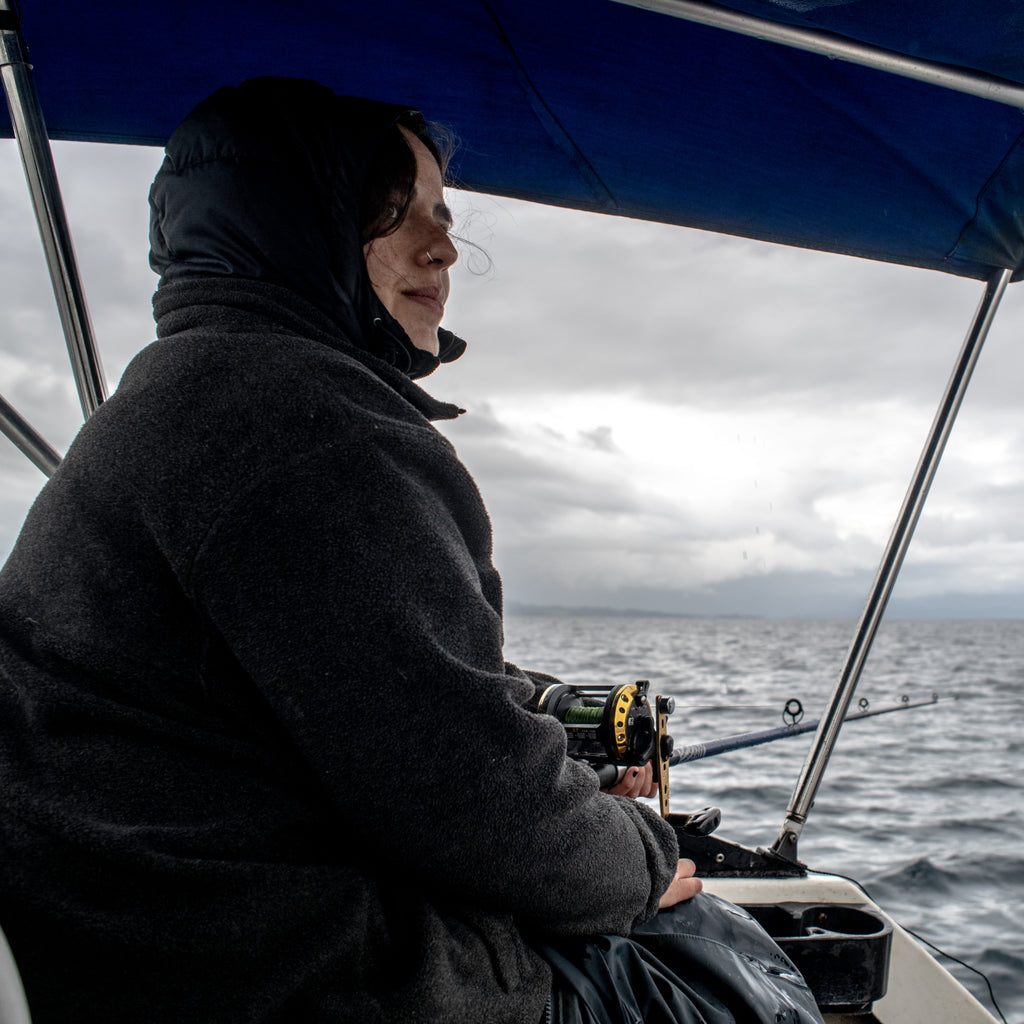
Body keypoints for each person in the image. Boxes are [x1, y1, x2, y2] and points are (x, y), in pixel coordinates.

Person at [0, 78, 821, 1023]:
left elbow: (374, 699)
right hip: (280, 972)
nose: (443, 249)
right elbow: (477, 807)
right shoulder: (310, 430)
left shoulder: (180, 395)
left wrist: (544, 742)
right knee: (733, 984)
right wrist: (639, 855)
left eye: (445, 217)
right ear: (295, 225)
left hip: (125, 937)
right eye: (398, 212)